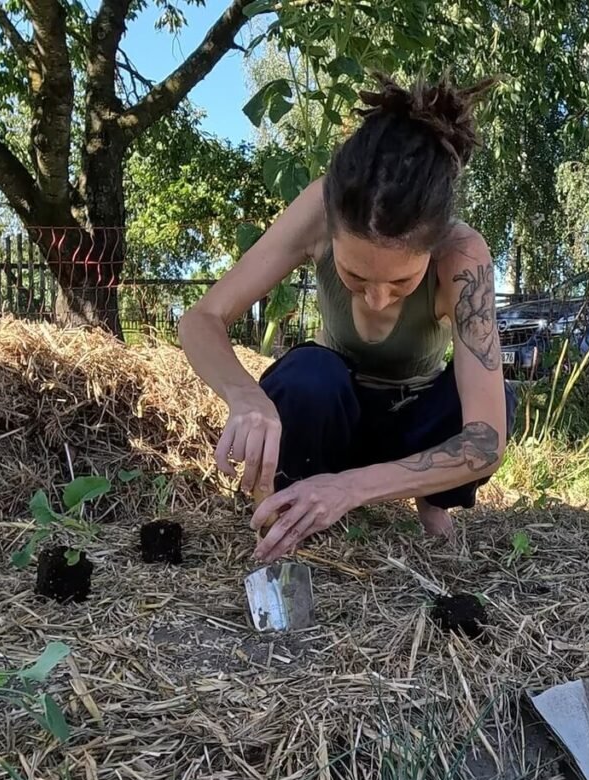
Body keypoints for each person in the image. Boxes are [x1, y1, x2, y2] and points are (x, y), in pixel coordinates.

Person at [179, 74, 516, 563]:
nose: (378, 299)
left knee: (496, 400)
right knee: (307, 376)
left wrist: (350, 489)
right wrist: (245, 396)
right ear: (331, 229)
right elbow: (201, 318)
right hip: (335, 419)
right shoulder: (319, 207)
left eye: (401, 283)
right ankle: (293, 504)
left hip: (413, 428)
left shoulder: (462, 256)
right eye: (355, 275)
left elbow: (486, 442)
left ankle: (432, 500)